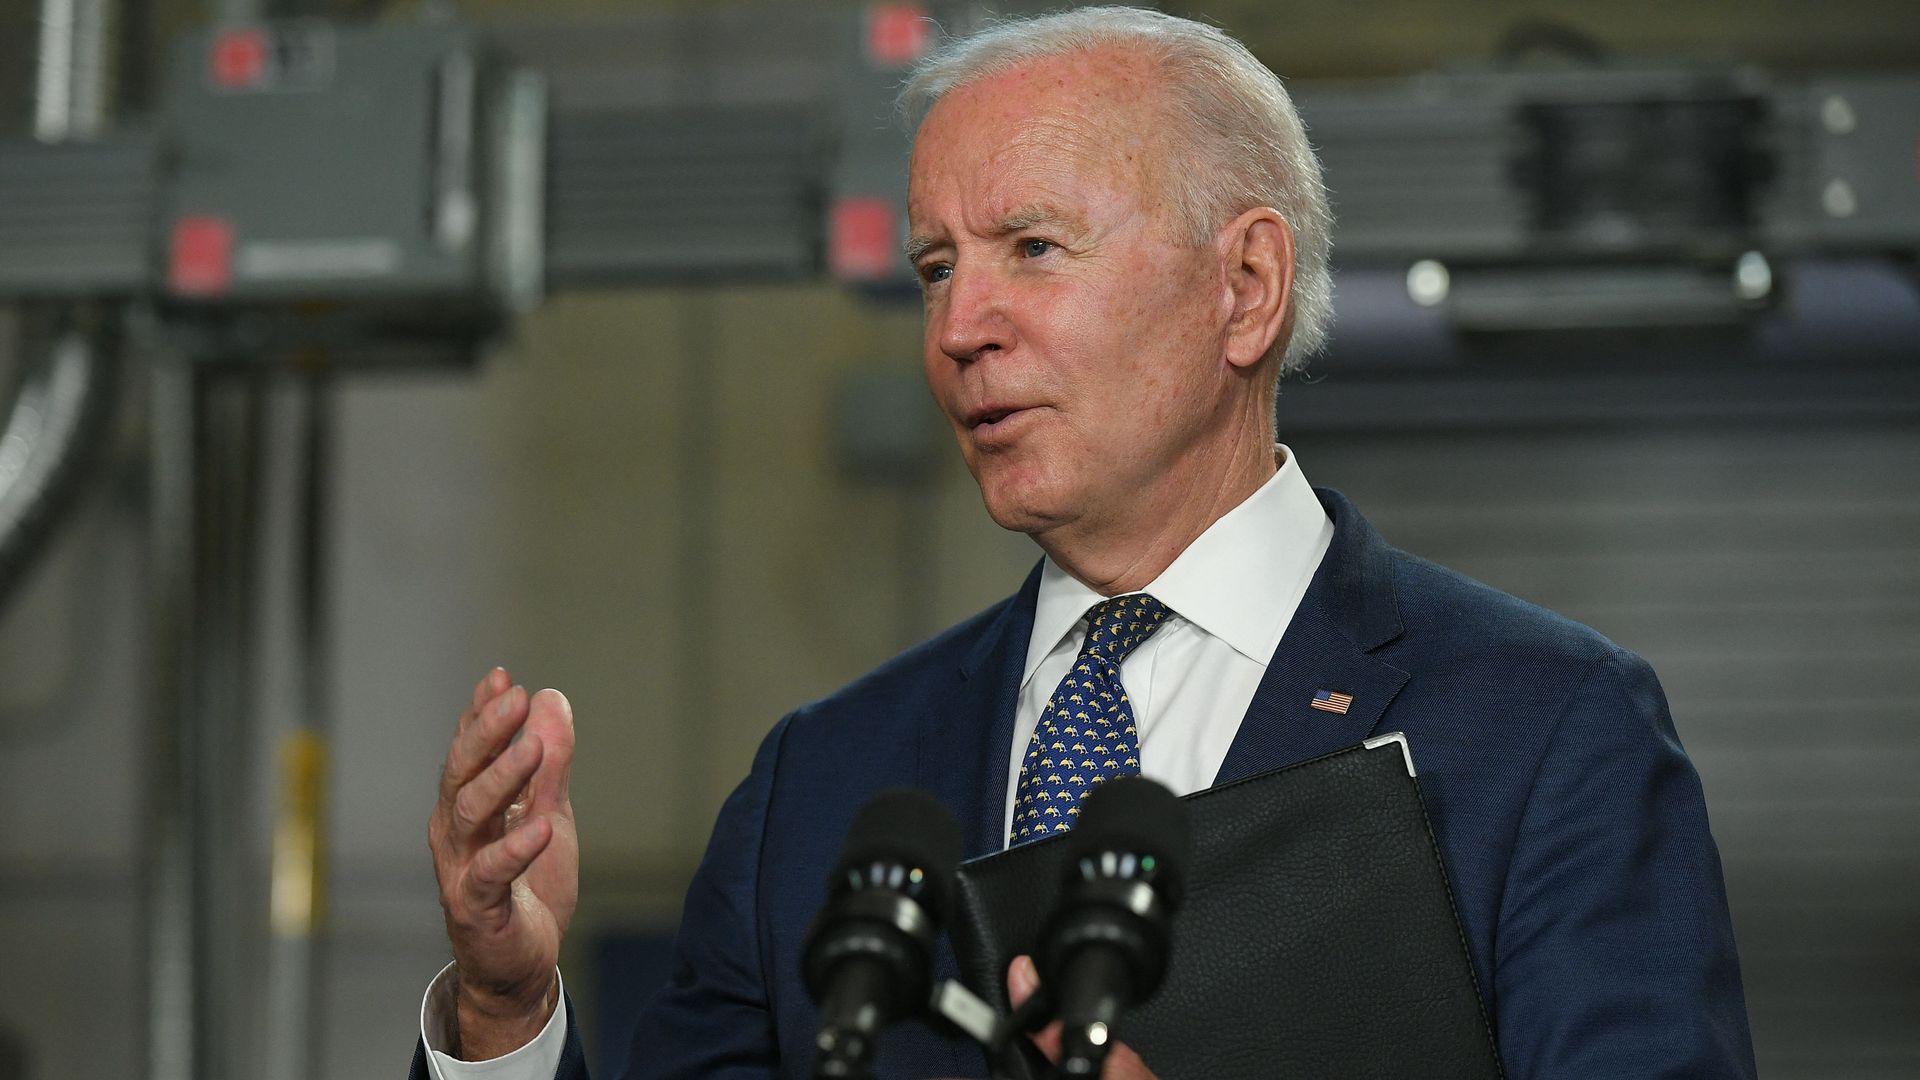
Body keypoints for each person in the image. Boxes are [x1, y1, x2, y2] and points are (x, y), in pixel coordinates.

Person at [412, 8, 1756, 1079]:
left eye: (1033, 248)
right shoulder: (817, 787)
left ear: (1246, 289)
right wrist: (506, 1006)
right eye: (938, 266)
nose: (959, 328)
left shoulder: (1548, 732)